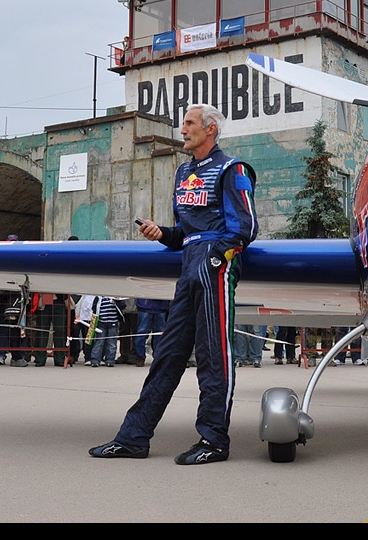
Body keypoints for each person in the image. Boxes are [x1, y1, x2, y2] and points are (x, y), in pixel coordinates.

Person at [89, 104, 257, 465]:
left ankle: (213, 441)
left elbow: (245, 228)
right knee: (166, 356)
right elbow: (184, 234)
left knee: (214, 357)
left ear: (210, 129)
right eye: (183, 123)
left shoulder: (233, 169)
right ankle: (133, 437)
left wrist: (216, 259)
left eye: (190, 123)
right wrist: (160, 233)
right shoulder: (184, 172)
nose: (183, 129)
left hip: (214, 267)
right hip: (188, 267)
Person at [134, 298, 169, 367]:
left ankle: (158, 356)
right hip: (145, 305)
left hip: (161, 307)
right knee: (141, 333)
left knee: (160, 334)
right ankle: (140, 357)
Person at [89, 296, 122, 367]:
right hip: (101, 322)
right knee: (99, 341)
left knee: (112, 343)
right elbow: (94, 307)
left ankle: (110, 360)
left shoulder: (115, 297)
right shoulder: (99, 297)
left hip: (113, 322)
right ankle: (95, 359)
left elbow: (122, 306)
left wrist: (118, 301)